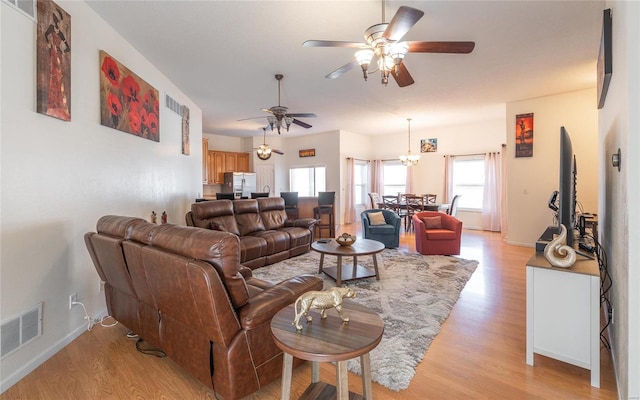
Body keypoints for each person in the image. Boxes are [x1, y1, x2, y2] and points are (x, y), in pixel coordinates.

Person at [43, 7, 71, 120]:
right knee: (53, 74)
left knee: (58, 77)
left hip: (57, 54)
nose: (55, 20)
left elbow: (68, 48)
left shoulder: (61, 33)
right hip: (53, 53)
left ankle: (59, 103)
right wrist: (49, 44)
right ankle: (53, 103)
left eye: (56, 18)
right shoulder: (51, 28)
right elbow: (45, 35)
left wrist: (62, 51)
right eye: (55, 18)